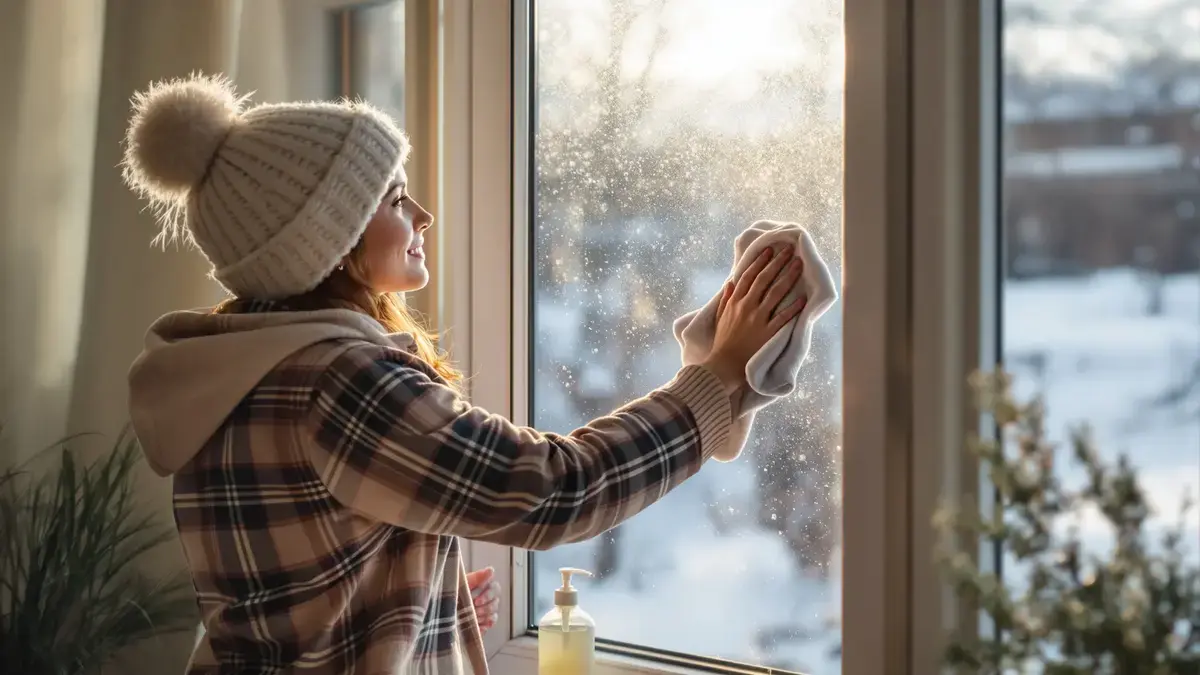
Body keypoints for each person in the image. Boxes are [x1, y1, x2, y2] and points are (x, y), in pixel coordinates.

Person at [120, 73, 807, 675]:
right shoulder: (338, 382)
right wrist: (716, 378)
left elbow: (292, 605)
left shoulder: (235, 372)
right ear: (330, 236)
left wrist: (423, 606)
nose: (422, 215)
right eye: (395, 199)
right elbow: (555, 490)